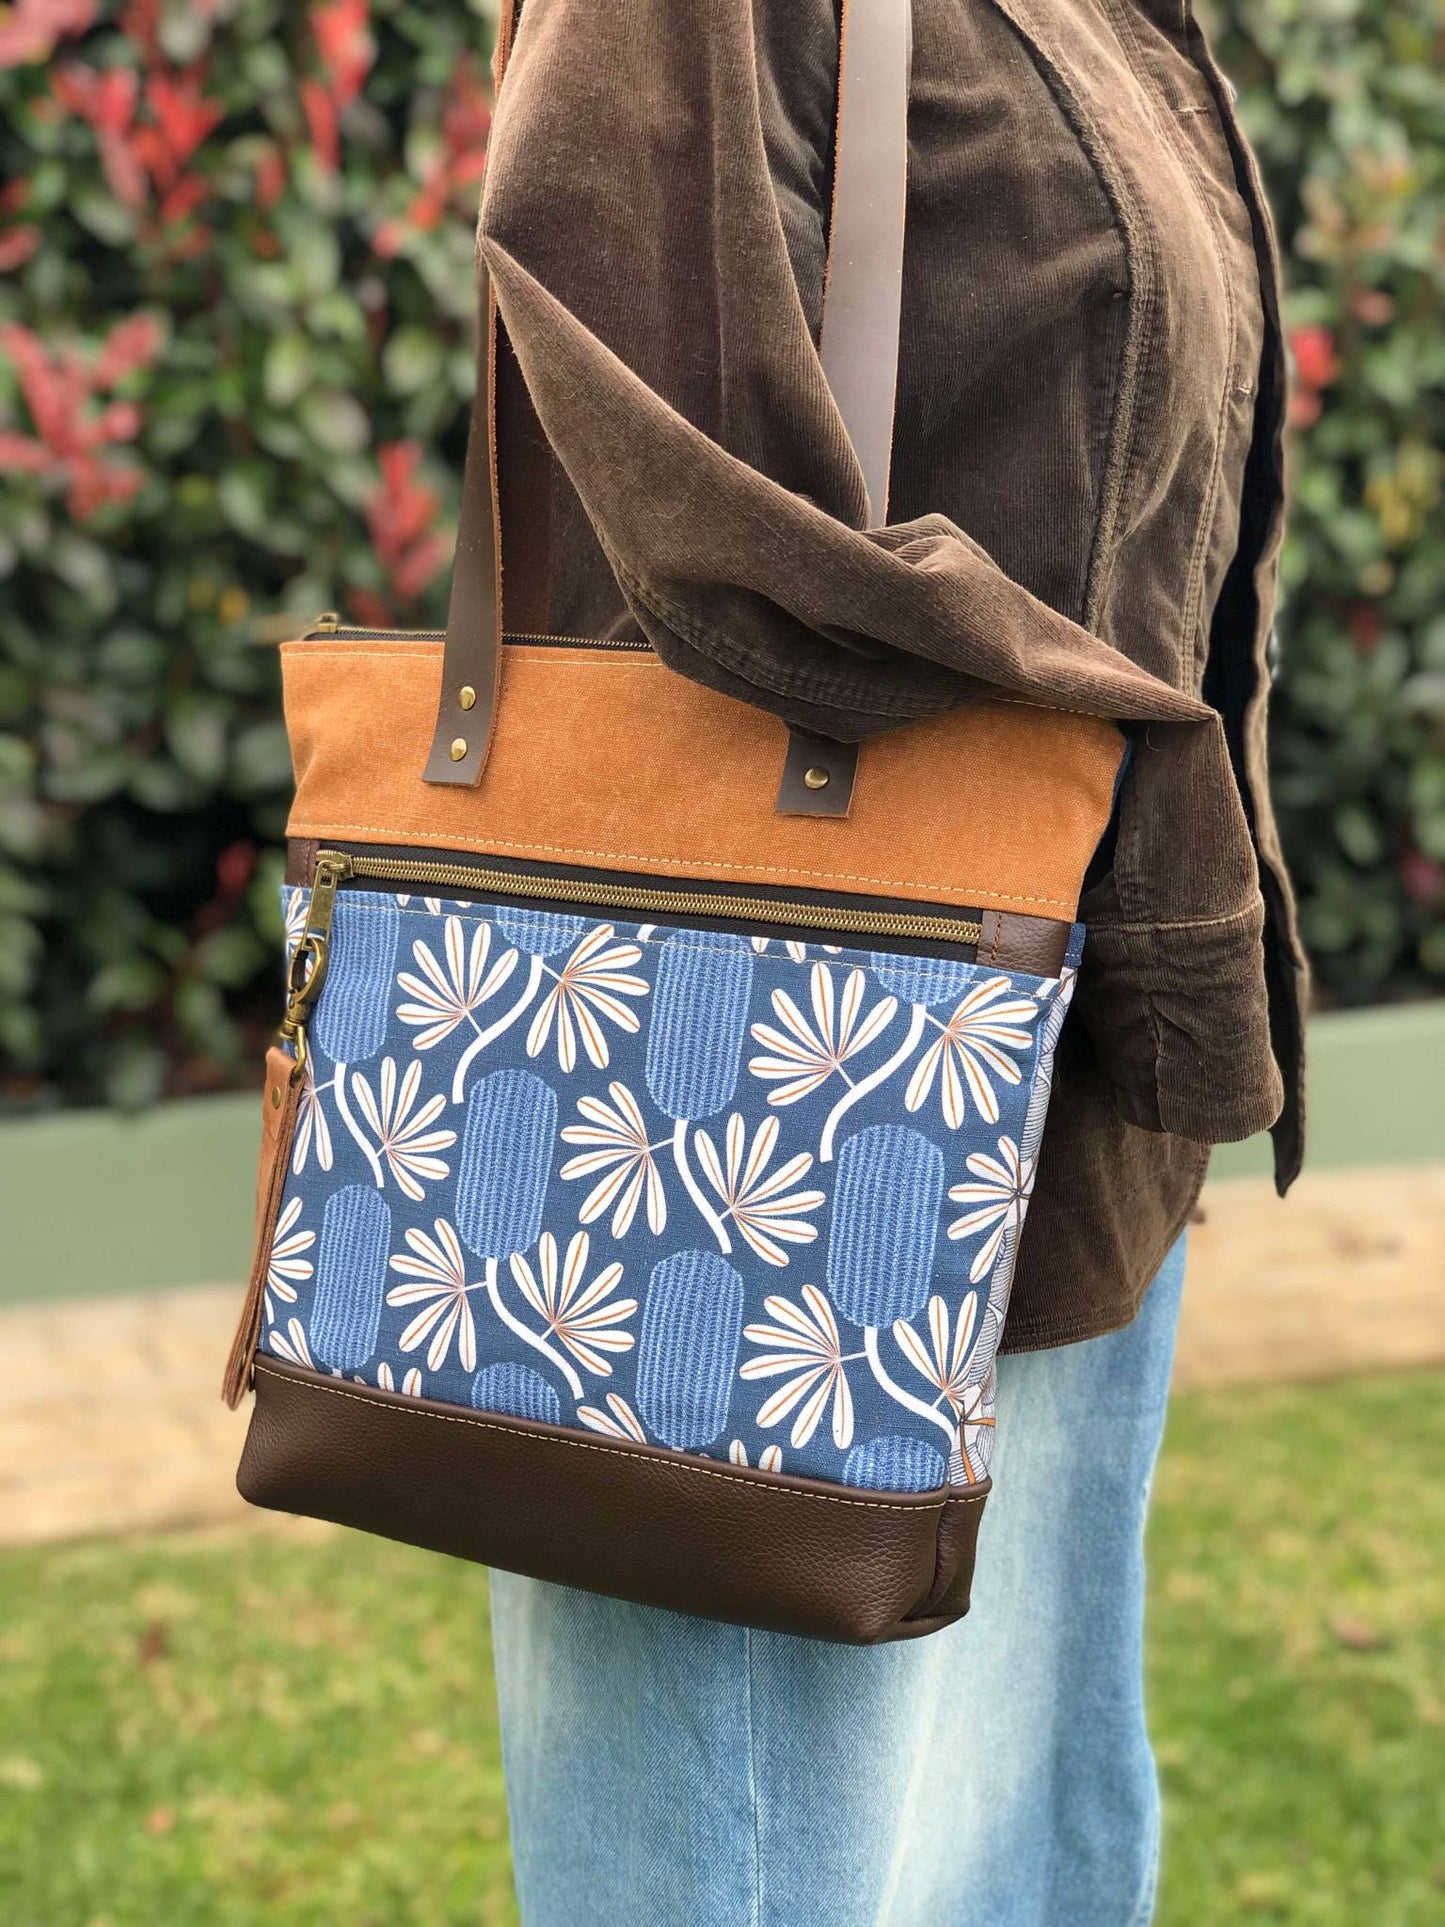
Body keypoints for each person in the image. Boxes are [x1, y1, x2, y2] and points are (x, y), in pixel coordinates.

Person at [475, 2, 1304, 1920]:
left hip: (1050, 1079)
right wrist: (1155, 804)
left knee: (1001, 1841)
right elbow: (683, 473)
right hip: (763, 1117)